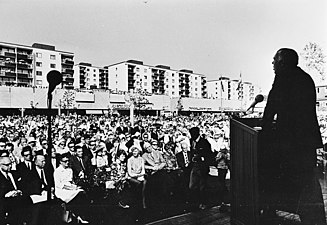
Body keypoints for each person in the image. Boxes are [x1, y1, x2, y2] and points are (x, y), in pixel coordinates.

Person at [262, 48, 326, 225]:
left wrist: (266, 128)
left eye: (275, 60)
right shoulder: (306, 78)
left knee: (278, 178)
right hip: (306, 144)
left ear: (282, 62)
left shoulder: (283, 77)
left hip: (289, 144)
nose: (272, 63)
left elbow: (271, 106)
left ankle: (268, 210)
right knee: (307, 184)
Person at [53, 153, 89, 224]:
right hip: (61, 190)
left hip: (70, 188)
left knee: (82, 192)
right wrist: (72, 188)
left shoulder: (70, 170)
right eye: (65, 161)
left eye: (68, 161)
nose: (67, 163)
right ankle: (78, 215)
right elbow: (59, 185)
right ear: (60, 162)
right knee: (78, 194)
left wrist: (74, 186)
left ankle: (79, 214)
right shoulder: (57, 171)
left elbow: (71, 181)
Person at [0, 156, 32, 225]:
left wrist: (18, 191)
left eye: (10, 164)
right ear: (0, 165)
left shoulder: (13, 174)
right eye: (7, 165)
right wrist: (8, 194)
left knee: (28, 199)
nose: (10, 166)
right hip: (4, 201)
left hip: (16, 198)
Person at [188, 126, 214, 210]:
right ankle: (197, 202)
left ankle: (204, 203)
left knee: (202, 187)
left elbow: (209, 155)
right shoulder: (191, 141)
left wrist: (201, 158)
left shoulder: (205, 142)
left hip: (202, 167)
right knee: (192, 186)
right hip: (194, 166)